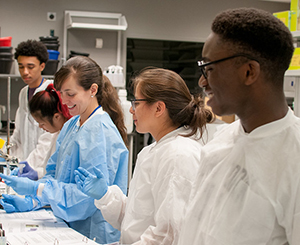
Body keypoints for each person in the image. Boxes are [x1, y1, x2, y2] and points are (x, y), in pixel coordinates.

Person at [177, 7, 300, 245]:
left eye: (209, 68)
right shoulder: (224, 141)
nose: (202, 81)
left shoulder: (293, 159)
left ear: (249, 71)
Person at [74, 67, 214, 244]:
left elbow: (169, 235)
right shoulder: (153, 150)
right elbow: (136, 219)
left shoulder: (179, 154)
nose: (131, 110)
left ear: (158, 108)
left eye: (136, 103)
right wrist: (105, 195)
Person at [0, 56, 129, 244]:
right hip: (68, 227)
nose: (64, 101)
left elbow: (86, 200)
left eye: (70, 94)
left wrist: (38, 189)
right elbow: (54, 174)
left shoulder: (100, 131)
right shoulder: (71, 125)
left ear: (93, 90)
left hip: (92, 232)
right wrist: (32, 200)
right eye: (61, 93)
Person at [9, 39, 54, 179]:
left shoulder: (50, 91)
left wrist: (31, 166)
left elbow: (49, 137)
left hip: (43, 167)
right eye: (21, 66)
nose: (25, 72)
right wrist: (8, 154)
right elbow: (18, 130)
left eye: (30, 66)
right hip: (27, 164)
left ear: (42, 66)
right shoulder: (23, 93)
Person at [10, 83, 72, 180]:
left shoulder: (70, 138)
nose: (40, 126)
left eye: (42, 123)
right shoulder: (57, 134)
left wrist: (37, 177)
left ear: (56, 117)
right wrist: (38, 173)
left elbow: (61, 177)